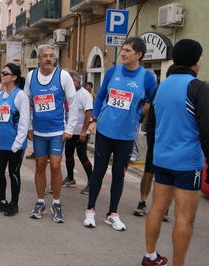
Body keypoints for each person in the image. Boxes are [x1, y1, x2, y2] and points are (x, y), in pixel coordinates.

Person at [142, 39, 209, 266]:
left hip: (162, 159)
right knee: (184, 218)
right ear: (197, 60)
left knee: (157, 210)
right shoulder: (198, 87)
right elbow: (206, 128)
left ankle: (150, 256)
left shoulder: (162, 86)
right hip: (188, 163)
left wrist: (154, 153)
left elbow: (151, 123)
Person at [83, 37, 156, 231]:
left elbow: (152, 103)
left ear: (139, 55)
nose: (122, 53)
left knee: (118, 176)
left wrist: (140, 110)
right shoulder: (113, 71)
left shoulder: (148, 78)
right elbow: (100, 97)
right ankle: (90, 210)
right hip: (105, 132)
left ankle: (112, 213)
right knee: (98, 172)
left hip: (126, 135)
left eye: (127, 50)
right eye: (122, 49)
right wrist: (93, 120)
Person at [24, 44, 77, 223]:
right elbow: (27, 103)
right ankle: (40, 202)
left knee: (55, 166)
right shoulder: (31, 76)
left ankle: (56, 202)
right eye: (45, 56)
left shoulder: (63, 76)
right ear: (39, 59)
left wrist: (70, 129)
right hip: (38, 131)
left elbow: (73, 102)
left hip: (57, 131)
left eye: (51, 56)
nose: (48, 59)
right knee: (39, 166)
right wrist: (29, 126)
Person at [133, 64, 177, 221]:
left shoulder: (184, 91)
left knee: (168, 177)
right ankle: (143, 202)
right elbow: (150, 120)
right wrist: (152, 140)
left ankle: (164, 208)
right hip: (157, 141)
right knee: (148, 174)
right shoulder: (160, 91)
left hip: (174, 143)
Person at [0, 63, 29, 216]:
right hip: (0, 143)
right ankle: (2, 200)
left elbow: (24, 121)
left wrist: (18, 142)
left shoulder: (20, 96)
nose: (2, 75)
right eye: (2, 73)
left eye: (5, 73)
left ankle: (14, 203)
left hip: (15, 144)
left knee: (13, 173)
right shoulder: (0, 95)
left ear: (14, 77)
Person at [63, 71, 93, 195]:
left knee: (82, 156)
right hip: (70, 130)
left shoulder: (84, 94)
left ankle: (92, 182)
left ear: (75, 81)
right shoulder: (68, 93)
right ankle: (70, 178)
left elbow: (88, 113)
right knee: (68, 155)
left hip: (81, 131)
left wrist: (84, 131)